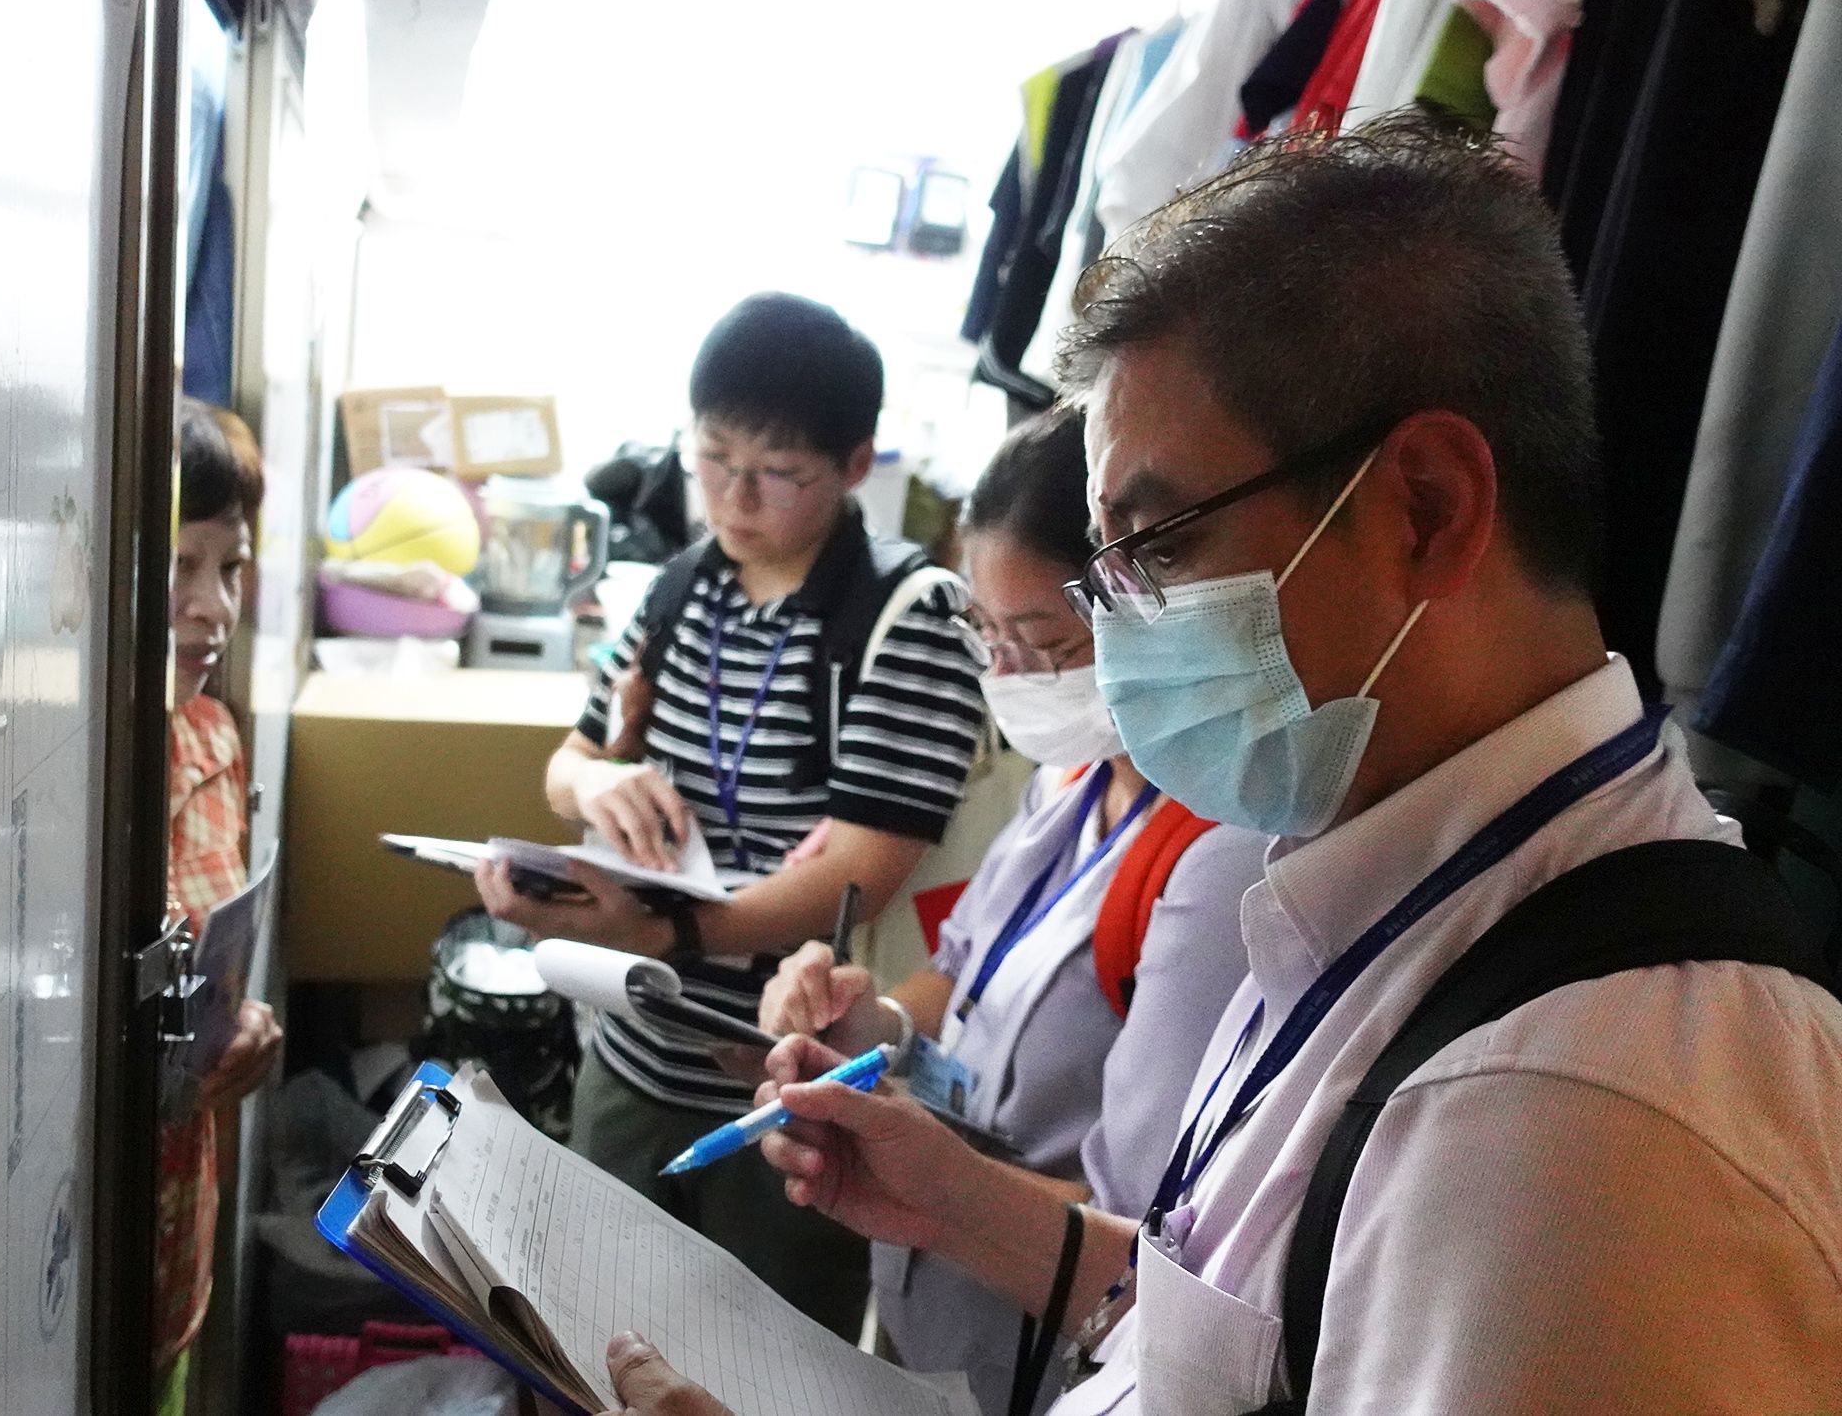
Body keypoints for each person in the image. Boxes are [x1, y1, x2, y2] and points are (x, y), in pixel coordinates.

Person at [591, 117, 1842, 1416]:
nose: (1115, 636)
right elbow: (1253, 1332)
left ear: (1426, 507)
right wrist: (961, 1203)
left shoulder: (1574, 1118)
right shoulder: (1387, 886)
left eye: (1159, 549)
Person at [474, 292, 989, 1338]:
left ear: (854, 465)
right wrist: (597, 788)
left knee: (760, 1361)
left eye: (776, 473)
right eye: (711, 457)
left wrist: (669, 930)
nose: (733, 497)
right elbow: (568, 763)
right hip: (631, 1048)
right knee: (591, 1342)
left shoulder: (905, 614)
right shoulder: (679, 588)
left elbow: (861, 867)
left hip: (785, 1082)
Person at [758, 408, 1262, 1415]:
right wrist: (873, 1022)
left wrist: (945, 1190)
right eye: (986, 638)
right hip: (939, 1302)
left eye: (1041, 642)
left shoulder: (1217, 860)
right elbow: (961, 964)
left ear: (1137, 608)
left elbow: (1158, 1231)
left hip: (1057, 1338)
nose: (1012, 679)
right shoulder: (1070, 783)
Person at [156, 399, 286, 1414]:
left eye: (230, 568)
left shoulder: (212, 739)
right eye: (180, 565)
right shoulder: (51, 788)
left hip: (174, 1244)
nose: (213, 606)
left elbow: (204, 981)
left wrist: (242, 1035)